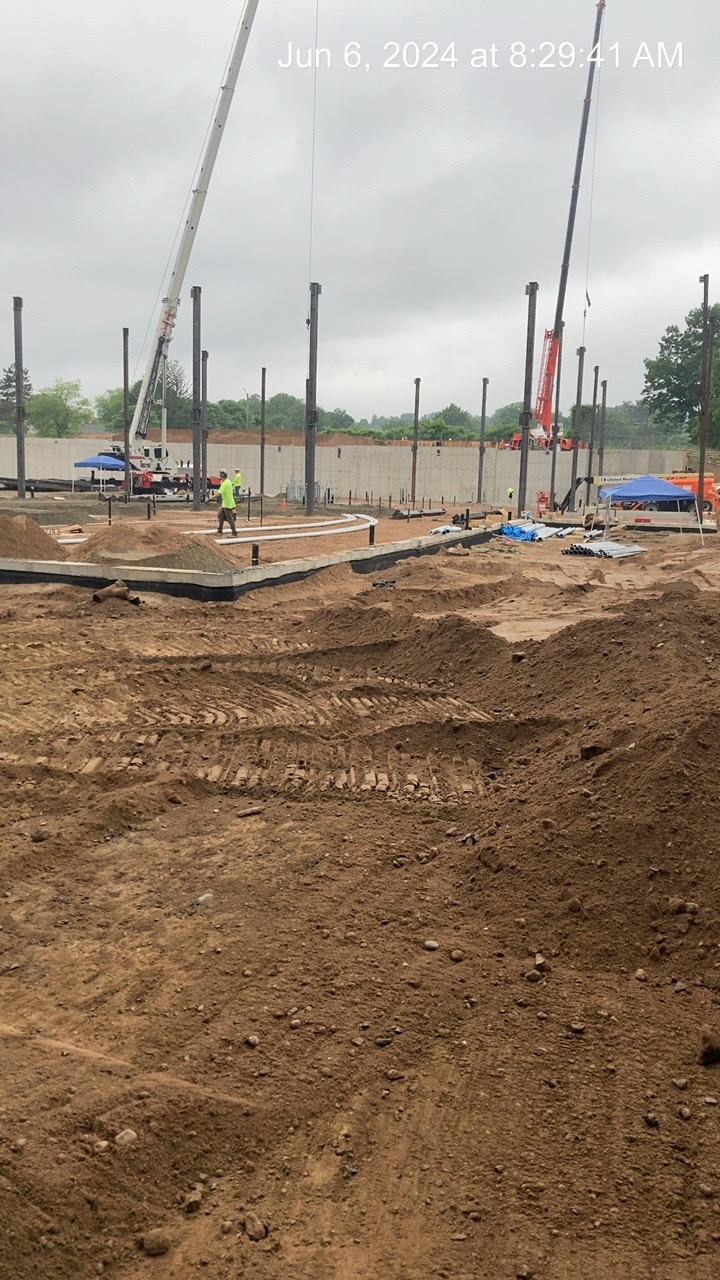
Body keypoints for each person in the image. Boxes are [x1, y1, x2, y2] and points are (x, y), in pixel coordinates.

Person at [217, 469, 237, 536]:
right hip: (226, 503)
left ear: (222, 476)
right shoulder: (228, 481)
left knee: (230, 519)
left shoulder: (225, 483)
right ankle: (219, 531)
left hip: (228, 504)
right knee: (220, 516)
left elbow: (219, 493)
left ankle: (234, 533)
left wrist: (210, 499)